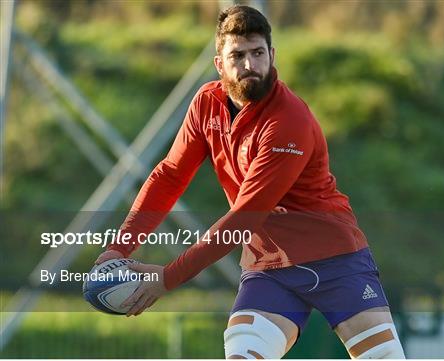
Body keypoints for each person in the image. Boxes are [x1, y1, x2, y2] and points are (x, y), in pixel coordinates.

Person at [95, 5, 406, 359]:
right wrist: (120, 248)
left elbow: (245, 216)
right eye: (237, 55)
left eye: (257, 53)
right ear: (219, 64)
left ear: (272, 56)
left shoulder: (289, 120)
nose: (248, 65)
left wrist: (167, 278)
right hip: (269, 270)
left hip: (335, 259)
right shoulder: (205, 105)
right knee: (243, 355)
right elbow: (169, 176)